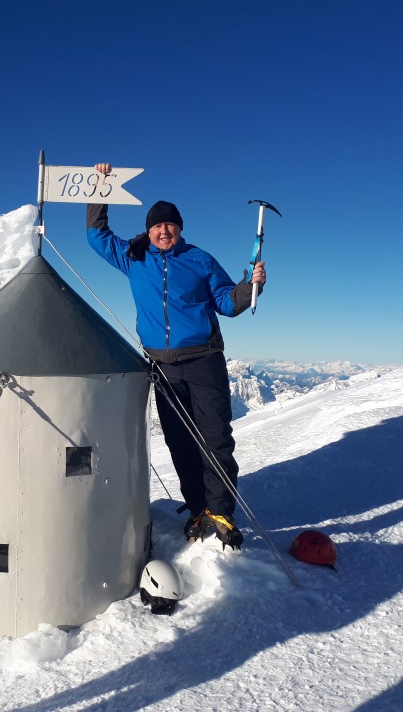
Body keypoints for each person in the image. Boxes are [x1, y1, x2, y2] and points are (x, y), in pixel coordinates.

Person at [86, 162, 266, 550]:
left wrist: (249, 287)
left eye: (170, 225)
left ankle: (221, 512)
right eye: (157, 226)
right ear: (149, 230)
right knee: (179, 441)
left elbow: (226, 303)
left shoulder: (200, 259)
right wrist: (100, 187)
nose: (163, 231)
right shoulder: (134, 256)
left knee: (215, 438)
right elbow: (95, 236)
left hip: (203, 361)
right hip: (161, 367)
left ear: (179, 228)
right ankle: (198, 507)